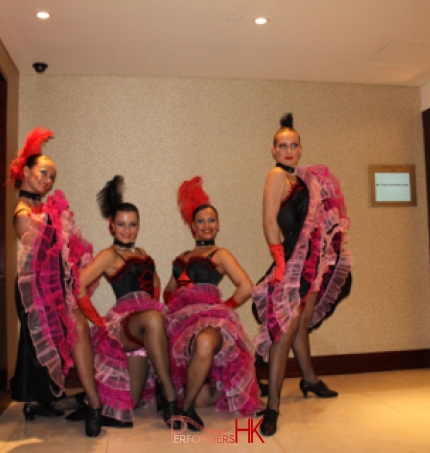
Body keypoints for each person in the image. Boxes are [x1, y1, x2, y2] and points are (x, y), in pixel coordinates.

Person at [253, 113, 353, 436]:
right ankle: (272, 407)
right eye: (282, 145)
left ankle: (308, 379)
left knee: (301, 326)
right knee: (284, 333)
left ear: (300, 148)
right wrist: (279, 261)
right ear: (273, 150)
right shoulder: (275, 177)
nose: (288, 150)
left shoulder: (305, 178)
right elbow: (269, 222)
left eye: (293, 144)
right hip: (293, 263)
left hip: (314, 262)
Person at [8, 127, 102, 437]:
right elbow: (36, 244)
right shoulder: (24, 211)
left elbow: (61, 250)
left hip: (55, 288)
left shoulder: (43, 208)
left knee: (58, 340)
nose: (47, 181)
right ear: (25, 171)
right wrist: (56, 226)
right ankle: (92, 403)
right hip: (35, 291)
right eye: (42, 173)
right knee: (53, 340)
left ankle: (76, 401)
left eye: (51, 177)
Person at [76, 175, 180, 429]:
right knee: (155, 318)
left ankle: (77, 403)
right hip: (124, 324)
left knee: (129, 405)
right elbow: (77, 285)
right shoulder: (108, 255)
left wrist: (151, 305)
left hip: (144, 326)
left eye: (132, 225)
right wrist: (97, 319)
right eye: (121, 224)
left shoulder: (142, 253)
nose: (127, 230)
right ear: (111, 226)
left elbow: (154, 282)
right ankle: (170, 398)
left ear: (139, 225)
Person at [163, 176, 262, 431]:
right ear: (192, 227)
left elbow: (246, 287)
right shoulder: (182, 257)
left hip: (209, 319)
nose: (206, 225)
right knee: (205, 396)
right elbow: (169, 290)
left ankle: (186, 410)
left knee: (206, 341)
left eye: (211, 220)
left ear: (218, 226)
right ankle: (199, 397)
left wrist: (224, 308)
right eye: (201, 221)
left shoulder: (220, 254)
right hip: (179, 323)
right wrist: (173, 306)